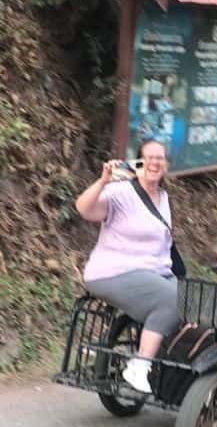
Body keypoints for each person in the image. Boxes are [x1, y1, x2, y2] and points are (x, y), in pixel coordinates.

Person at [75, 140, 181, 393]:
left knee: (193, 300)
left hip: (154, 273)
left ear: (166, 164)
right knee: (174, 300)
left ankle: (166, 370)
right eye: (149, 158)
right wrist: (103, 181)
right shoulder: (121, 192)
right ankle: (140, 365)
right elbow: (84, 209)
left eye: (160, 158)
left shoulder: (164, 198)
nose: (155, 163)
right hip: (113, 272)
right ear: (138, 162)